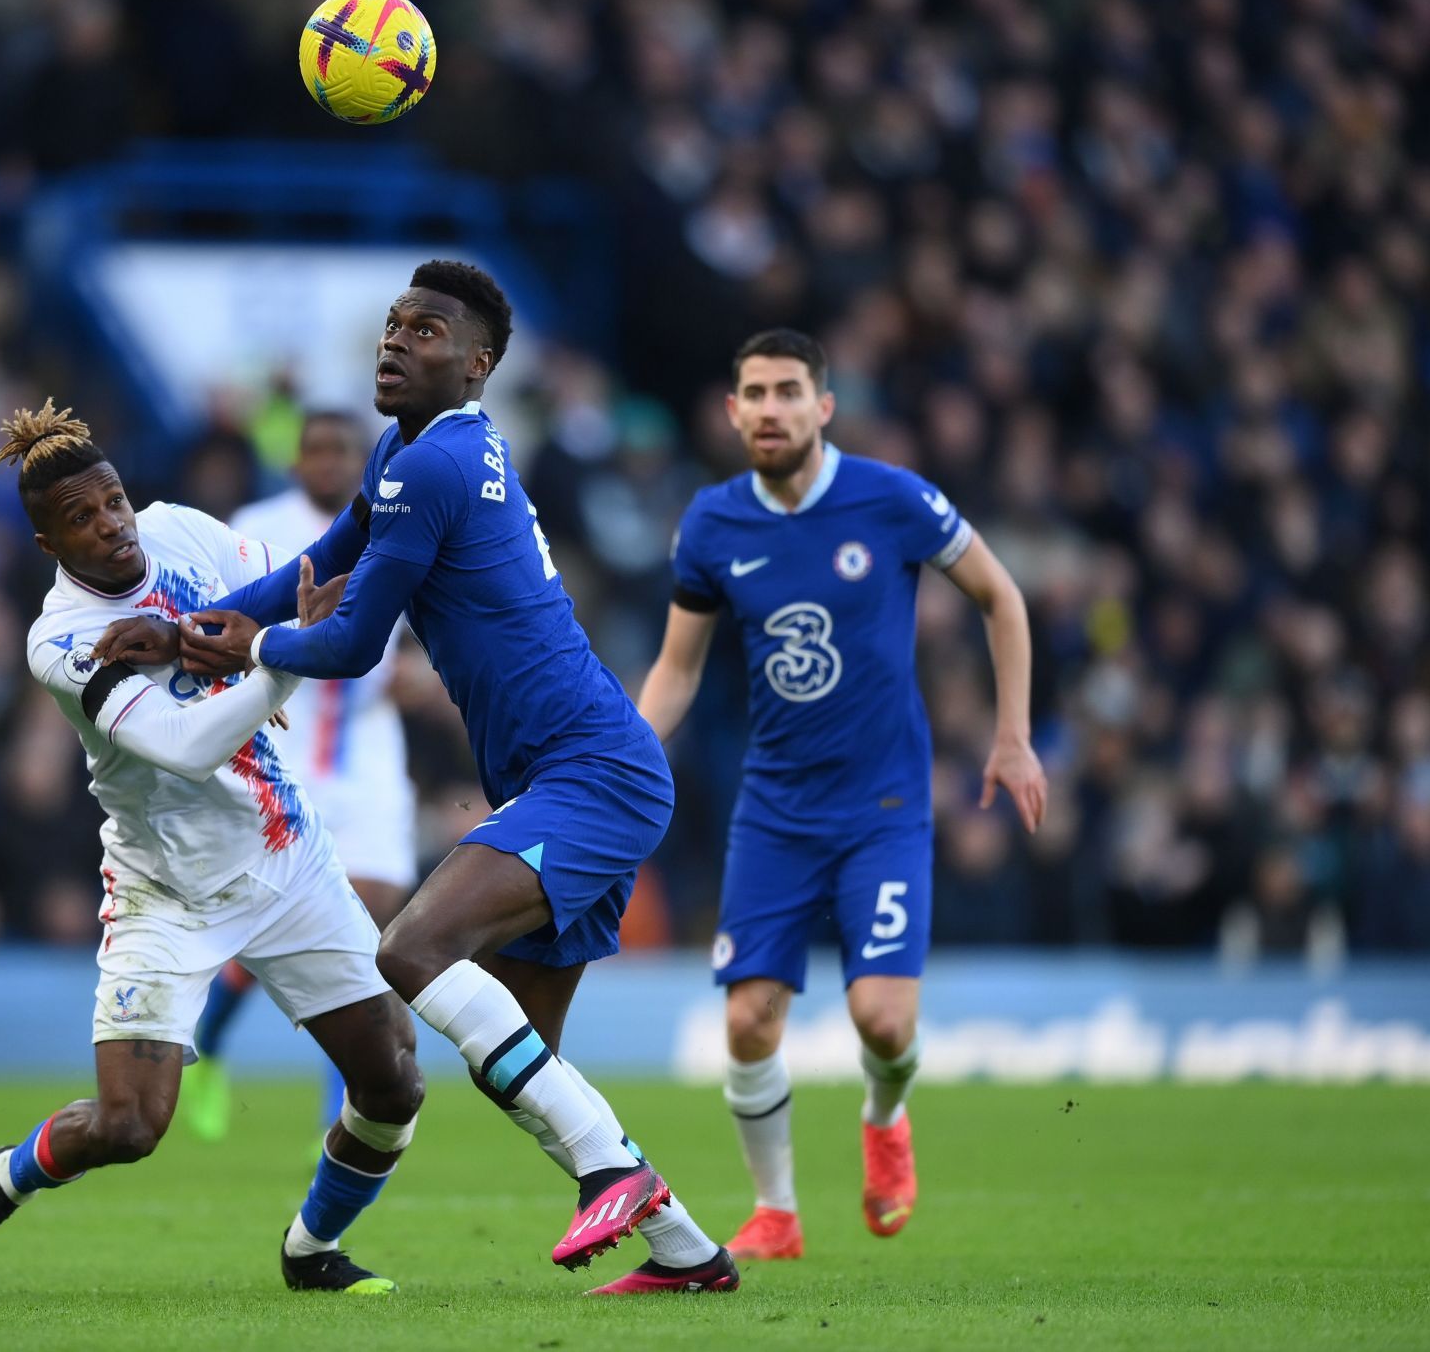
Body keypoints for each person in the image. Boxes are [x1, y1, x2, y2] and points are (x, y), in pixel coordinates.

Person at [97, 261, 736, 1296]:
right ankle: (689, 1253)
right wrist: (186, 633)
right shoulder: (415, 450)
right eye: (394, 324)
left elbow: (347, 641)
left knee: (413, 946)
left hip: (591, 773)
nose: (396, 340)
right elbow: (311, 568)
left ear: (478, 365)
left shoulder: (431, 467)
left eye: (427, 330)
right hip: (580, 772)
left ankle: (616, 1172)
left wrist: (251, 650)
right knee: (526, 1057)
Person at [0, 401, 425, 1295]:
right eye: (81, 518)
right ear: (49, 545)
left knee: (394, 1087)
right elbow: (189, 747)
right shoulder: (62, 643)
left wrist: (294, 624)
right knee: (130, 1126)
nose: (110, 525)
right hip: (166, 888)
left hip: (284, 850)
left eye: (111, 500)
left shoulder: (181, 531)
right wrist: (280, 661)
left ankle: (313, 1252)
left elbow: (281, 589)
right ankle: (2, 1179)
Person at [635, 329, 1048, 1260]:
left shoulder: (891, 498)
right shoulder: (711, 524)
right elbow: (676, 670)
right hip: (775, 810)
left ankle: (885, 1117)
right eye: (755, 392)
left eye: (789, 391)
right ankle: (776, 1214)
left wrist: (1012, 737)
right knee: (747, 1020)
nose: (771, 408)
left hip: (884, 809)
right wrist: (620, 755)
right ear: (732, 411)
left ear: (824, 407)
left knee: (883, 1019)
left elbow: (1002, 595)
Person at [185, 412, 423, 1143]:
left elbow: (418, 637)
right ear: (295, 462)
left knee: (374, 926)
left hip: (368, 746)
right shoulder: (258, 527)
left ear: (361, 464)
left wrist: (418, 675)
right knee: (282, 922)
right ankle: (208, 1048)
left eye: (340, 452)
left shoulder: (403, 522)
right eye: (313, 450)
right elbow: (217, 623)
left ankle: (344, 1109)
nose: (326, 462)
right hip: (282, 741)